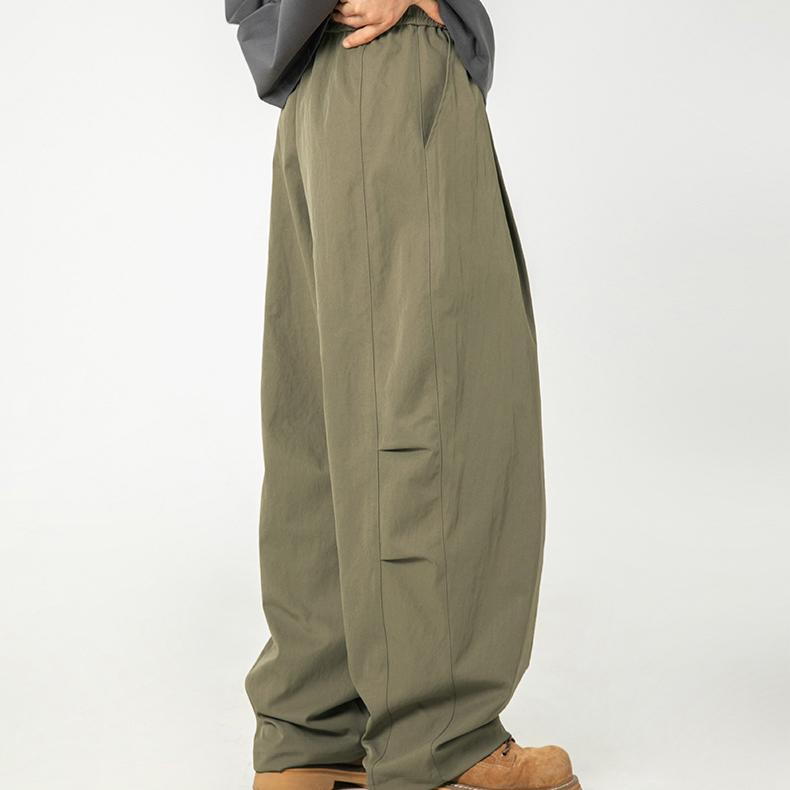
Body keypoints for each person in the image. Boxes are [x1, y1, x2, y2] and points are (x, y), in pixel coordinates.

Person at [225, 2, 580, 788]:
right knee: (437, 404)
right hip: (394, 65)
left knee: (327, 423)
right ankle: (440, 744)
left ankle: (316, 734)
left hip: (322, 85)